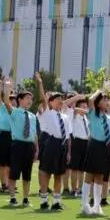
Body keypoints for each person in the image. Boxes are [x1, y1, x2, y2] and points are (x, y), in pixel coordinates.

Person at [0, 77, 37, 207]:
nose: (29, 101)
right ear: (20, 100)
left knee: (27, 174)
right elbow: (6, 102)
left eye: (31, 99)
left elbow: (34, 133)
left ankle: (26, 198)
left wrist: (36, 148)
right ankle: (12, 197)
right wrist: (7, 88)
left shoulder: (32, 116)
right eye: (27, 98)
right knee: (14, 172)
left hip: (29, 146)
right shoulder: (15, 112)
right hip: (17, 145)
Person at [35, 74, 70, 212]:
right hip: (50, 143)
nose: (61, 101)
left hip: (62, 146)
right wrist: (40, 83)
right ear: (51, 102)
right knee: (46, 173)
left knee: (59, 174)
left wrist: (68, 152)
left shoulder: (65, 117)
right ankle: (44, 200)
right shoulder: (47, 113)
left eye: (62, 99)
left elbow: (68, 136)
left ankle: (56, 201)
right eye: (57, 99)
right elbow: (43, 98)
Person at [81, 90, 110, 216]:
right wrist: (100, 90)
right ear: (98, 102)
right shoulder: (93, 114)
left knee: (100, 176)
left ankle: (96, 205)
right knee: (89, 175)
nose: (106, 102)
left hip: (105, 148)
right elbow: (90, 100)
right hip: (94, 145)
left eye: (107, 100)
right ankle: (84, 204)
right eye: (104, 100)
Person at [66, 96, 90, 198]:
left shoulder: (86, 118)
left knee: (82, 169)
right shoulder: (74, 115)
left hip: (85, 143)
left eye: (86, 106)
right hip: (77, 142)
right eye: (83, 106)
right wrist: (79, 98)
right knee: (74, 168)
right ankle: (73, 189)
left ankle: (80, 189)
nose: (85, 108)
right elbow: (74, 109)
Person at [0, 88, 15, 197]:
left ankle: (10, 184)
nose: (12, 100)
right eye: (10, 98)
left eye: (13, 99)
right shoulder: (2, 108)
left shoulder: (16, 110)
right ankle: (3, 185)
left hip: (14, 136)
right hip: (4, 135)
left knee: (11, 163)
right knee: (2, 163)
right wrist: (1, 86)